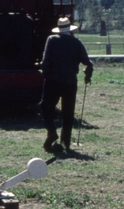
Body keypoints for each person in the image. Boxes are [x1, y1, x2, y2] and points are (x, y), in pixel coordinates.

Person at [40, 16, 93, 152]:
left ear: (58, 29)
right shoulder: (76, 42)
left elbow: (46, 62)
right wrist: (87, 76)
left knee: (46, 108)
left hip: (53, 81)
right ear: (70, 30)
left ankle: (51, 132)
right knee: (68, 112)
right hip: (70, 82)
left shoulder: (51, 40)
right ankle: (66, 142)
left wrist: (45, 75)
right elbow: (88, 63)